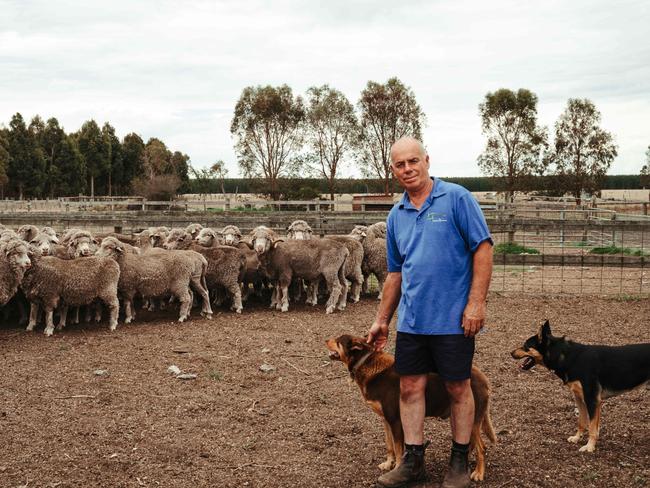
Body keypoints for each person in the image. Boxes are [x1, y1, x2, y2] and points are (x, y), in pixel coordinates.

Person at [367, 137, 493, 488]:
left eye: (413, 161)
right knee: (409, 387)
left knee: (457, 387)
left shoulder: (456, 199)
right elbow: (395, 272)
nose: (407, 169)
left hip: (453, 318)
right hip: (412, 321)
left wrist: (476, 303)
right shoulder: (397, 215)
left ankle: (458, 460)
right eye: (399, 165)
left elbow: (483, 249)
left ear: (426, 160)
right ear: (392, 170)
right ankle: (414, 461)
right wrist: (382, 320)